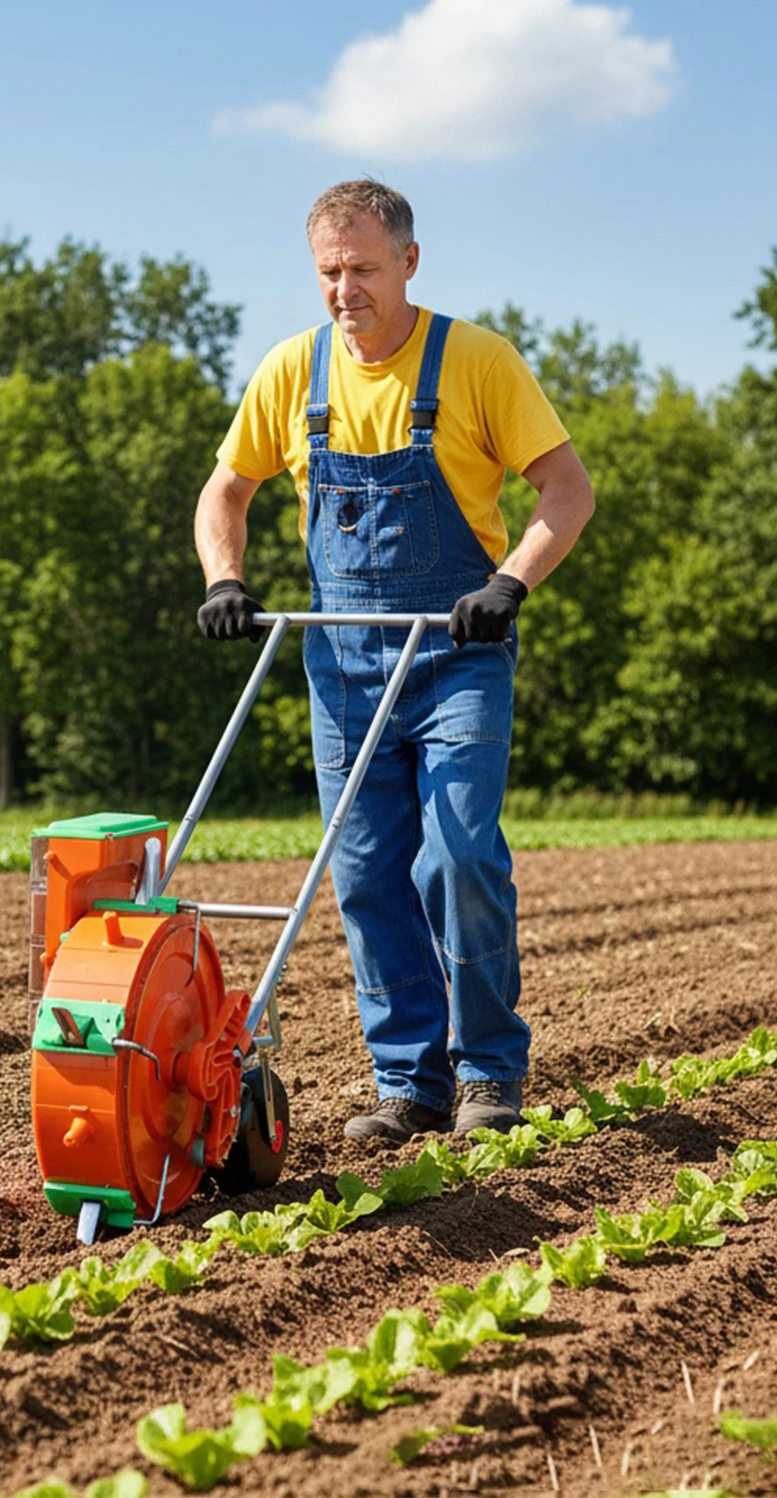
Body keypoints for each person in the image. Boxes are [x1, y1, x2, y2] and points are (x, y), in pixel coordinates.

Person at [193, 180, 595, 1143]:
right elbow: (226, 489)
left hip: (458, 654)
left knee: (456, 857)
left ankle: (490, 1073)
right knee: (367, 873)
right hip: (344, 664)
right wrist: (224, 578)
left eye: (364, 268)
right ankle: (409, 1084)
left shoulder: (477, 361)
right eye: (329, 271)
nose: (345, 289)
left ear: (409, 261)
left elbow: (567, 493)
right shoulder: (295, 371)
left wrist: (509, 584)